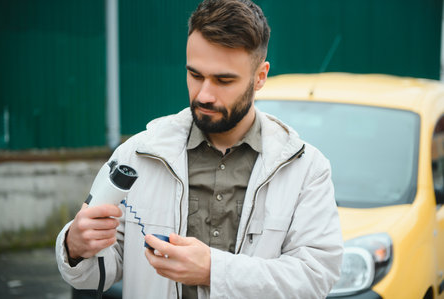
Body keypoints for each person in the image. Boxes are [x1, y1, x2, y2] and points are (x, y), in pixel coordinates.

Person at [55, 0, 343, 298]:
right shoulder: (138, 154)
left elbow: (315, 278)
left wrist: (214, 270)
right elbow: (97, 275)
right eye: (195, 75)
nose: (204, 95)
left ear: (260, 77)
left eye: (223, 80)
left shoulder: (306, 168)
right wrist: (75, 247)